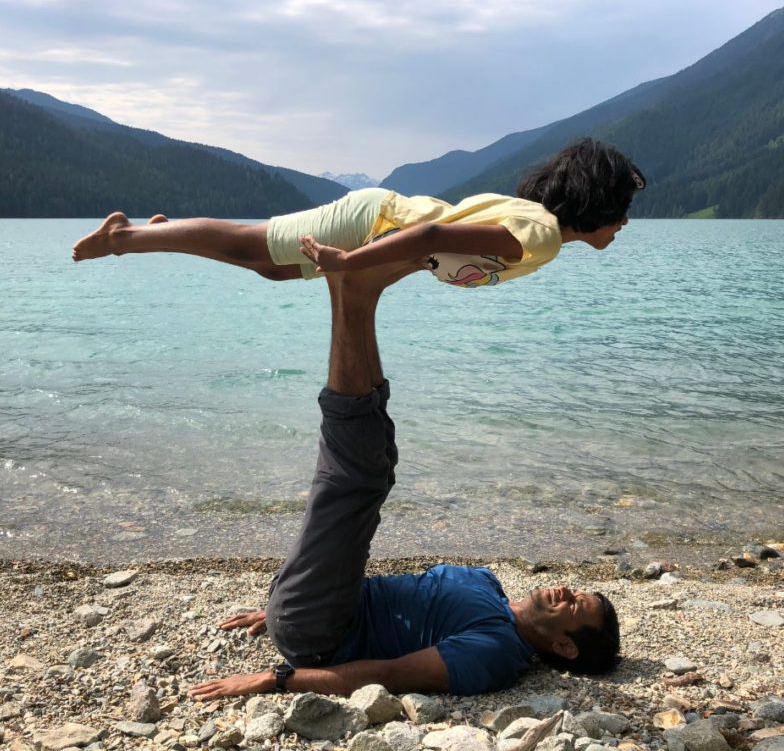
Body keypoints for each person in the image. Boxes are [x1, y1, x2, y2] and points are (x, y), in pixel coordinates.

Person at [186, 263, 620, 699]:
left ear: (565, 646)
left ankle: (352, 291)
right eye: (577, 591)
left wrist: (273, 678)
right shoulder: (487, 584)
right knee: (381, 462)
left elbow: (390, 676)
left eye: (575, 604)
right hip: (319, 603)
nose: (566, 589)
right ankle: (356, 290)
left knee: (358, 477)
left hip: (319, 635)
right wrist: (285, 603)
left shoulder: (496, 652)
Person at [72, 138, 646, 288]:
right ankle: (124, 236)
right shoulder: (541, 236)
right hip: (374, 220)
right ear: (598, 204)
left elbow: (437, 244)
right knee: (256, 245)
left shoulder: (535, 222)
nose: (622, 224)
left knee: (270, 268)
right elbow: (434, 232)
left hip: (380, 225)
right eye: (621, 211)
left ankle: (166, 233)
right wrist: (352, 263)